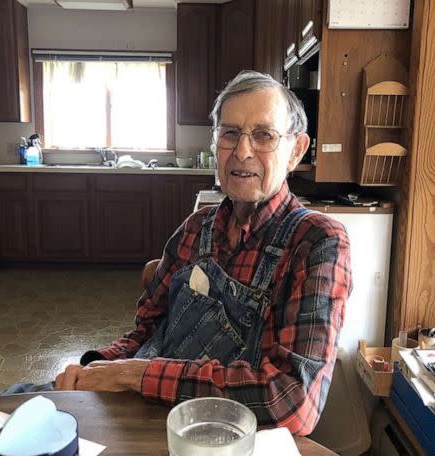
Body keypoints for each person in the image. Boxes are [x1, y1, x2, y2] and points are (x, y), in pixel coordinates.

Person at [55, 71, 351, 436]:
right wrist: (96, 367)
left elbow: (292, 403)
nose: (242, 152)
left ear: (296, 150)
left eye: (263, 135)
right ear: (215, 144)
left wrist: (137, 375)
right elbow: (148, 332)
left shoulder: (316, 242)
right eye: (230, 133)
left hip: (219, 441)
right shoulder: (197, 228)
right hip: (142, 418)